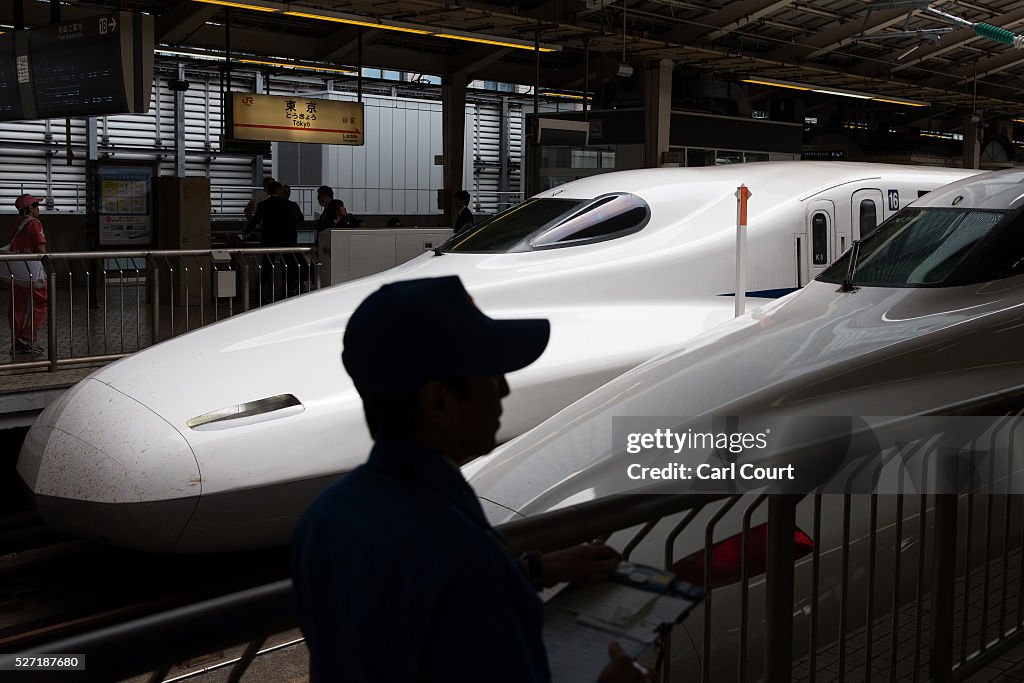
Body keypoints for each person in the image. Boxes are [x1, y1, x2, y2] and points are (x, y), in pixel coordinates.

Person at [292, 276, 646, 682]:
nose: (504, 389)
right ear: (439, 401)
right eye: (490, 373)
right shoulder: (454, 548)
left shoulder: (326, 515)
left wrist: (529, 572)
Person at [7, 194, 48, 356]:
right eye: (36, 205)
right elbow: (41, 249)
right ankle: (27, 337)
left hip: (17, 271)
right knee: (43, 302)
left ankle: (17, 342)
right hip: (32, 270)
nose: (38, 209)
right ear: (30, 208)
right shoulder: (34, 223)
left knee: (17, 306)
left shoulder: (18, 225)